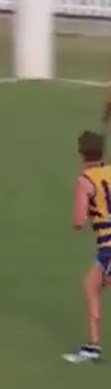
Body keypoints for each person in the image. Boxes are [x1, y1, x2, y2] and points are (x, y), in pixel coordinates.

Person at [63, 130, 111, 363]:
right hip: (106, 249)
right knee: (91, 286)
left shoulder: (85, 181)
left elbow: (77, 221)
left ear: (81, 153)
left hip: (109, 245)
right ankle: (92, 346)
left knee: (92, 288)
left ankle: (93, 346)